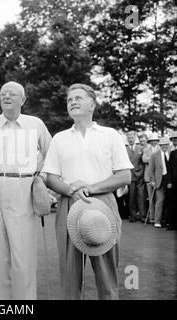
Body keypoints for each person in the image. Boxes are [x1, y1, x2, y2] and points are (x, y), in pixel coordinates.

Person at [40, 83, 132, 299]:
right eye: (70, 99)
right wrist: (72, 190)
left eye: (78, 98)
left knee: (107, 277)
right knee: (70, 279)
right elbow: (51, 177)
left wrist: (90, 188)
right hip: (69, 205)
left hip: (103, 205)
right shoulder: (59, 138)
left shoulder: (110, 135)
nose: (73, 102)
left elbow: (124, 176)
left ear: (92, 104)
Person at [0, 81, 52, 300]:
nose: (6, 96)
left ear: (23, 100)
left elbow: (51, 155)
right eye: (3, 93)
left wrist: (39, 177)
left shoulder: (36, 124)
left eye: (12, 94)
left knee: (22, 255)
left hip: (23, 188)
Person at [148, 137, 172, 228]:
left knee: (170, 201)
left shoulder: (171, 153)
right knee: (160, 201)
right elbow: (151, 170)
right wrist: (153, 181)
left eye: (166, 144)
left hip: (170, 180)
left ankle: (168, 221)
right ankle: (157, 221)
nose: (164, 146)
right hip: (160, 180)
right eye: (162, 145)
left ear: (168, 145)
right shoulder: (155, 155)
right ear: (160, 145)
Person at [126, 131, 146, 222]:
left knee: (141, 196)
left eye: (132, 138)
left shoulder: (141, 148)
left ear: (135, 138)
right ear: (127, 139)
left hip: (140, 175)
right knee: (131, 196)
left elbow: (145, 160)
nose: (130, 139)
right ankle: (133, 215)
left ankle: (142, 215)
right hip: (130, 176)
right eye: (129, 138)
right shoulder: (124, 149)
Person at [142, 133, 160, 223]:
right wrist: (153, 159)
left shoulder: (160, 149)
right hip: (148, 176)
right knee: (150, 198)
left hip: (158, 176)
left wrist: (150, 159)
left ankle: (158, 218)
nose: (154, 142)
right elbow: (144, 159)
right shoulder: (146, 150)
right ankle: (152, 217)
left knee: (158, 198)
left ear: (157, 141)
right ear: (150, 141)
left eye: (155, 140)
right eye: (152, 140)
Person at [168, 137, 177, 230]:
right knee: (172, 204)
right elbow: (169, 169)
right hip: (174, 183)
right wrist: (169, 181)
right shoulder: (173, 153)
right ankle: (172, 224)